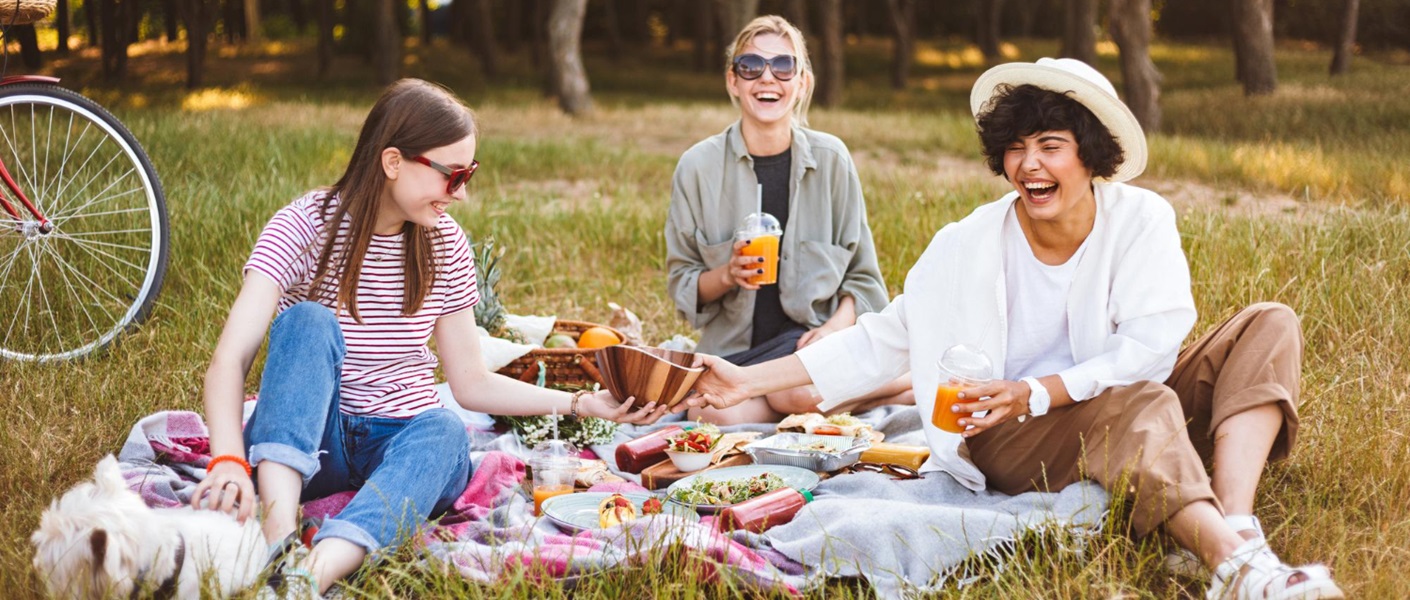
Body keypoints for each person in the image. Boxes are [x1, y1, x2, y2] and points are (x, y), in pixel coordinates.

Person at [688, 59, 1343, 600]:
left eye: (1051, 146)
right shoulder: (966, 244)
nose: (1030, 165)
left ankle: (1231, 530)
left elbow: (1151, 349)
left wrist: (1041, 389)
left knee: (1269, 325)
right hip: (1006, 433)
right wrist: (746, 377)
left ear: (1092, 156)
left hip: (1102, 398)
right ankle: (1238, 567)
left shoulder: (1141, 220)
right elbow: (878, 340)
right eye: (1017, 148)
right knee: (1138, 404)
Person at [191, 79, 669, 596]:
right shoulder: (304, 225)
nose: (462, 192)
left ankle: (311, 574)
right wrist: (227, 460)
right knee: (308, 321)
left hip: (400, 443)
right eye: (453, 174)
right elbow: (229, 361)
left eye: (470, 173)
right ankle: (278, 536)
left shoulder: (444, 244)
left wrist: (583, 403)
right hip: (311, 442)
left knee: (444, 429)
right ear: (393, 161)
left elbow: (470, 383)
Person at [665, 15, 911, 425]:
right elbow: (683, 286)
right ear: (733, 81)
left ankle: (875, 385)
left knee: (798, 388)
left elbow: (864, 279)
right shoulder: (697, 167)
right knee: (713, 416)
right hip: (738, 356)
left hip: (813, 345)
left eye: (783, 66)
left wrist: (833, 331)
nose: (767, 78)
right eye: (750, 66)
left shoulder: (833, 160)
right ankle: (901, 389)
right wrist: (727, 274)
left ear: (802, 84)